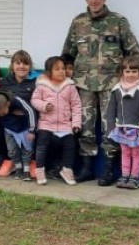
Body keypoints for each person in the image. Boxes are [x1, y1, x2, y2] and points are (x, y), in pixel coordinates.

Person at [62, 0, 139, 185]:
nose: (94, 0)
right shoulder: (78, 22)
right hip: (83, 84)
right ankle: (86, 168)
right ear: (86, 0)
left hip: (111, 84)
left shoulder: (118, 21)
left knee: (110, 126)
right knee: (85, 127)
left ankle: (109, 169)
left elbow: (133, 51)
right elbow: (67, 53)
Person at [104, 56, 139, 190]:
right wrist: (110, 127)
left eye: (134, 71)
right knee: (125, 152)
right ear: (122, 73)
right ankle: (125, 175)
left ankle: (134, 177)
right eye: (127, 71)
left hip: (137, 128)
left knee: (136, 153)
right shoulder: (117, 89)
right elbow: (111, 109)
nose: (130, 74)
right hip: (121, 128)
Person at [31, 56, 82, 186]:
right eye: (57, 69)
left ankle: (67, 169)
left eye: (63, 69)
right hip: (46, 124)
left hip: (65, 124)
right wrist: (44, 105)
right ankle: (40, 170)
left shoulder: (69, 86)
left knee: (70, 145)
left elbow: (76, 105)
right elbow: (34, 100)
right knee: (42, 145)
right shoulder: (42, 85)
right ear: (49, 72)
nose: (61, 71)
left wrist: (76, 123)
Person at [0, 50, 37, 177]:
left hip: (28, 121)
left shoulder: (35, 82)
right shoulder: (5, 82)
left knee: (39, 133)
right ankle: (10, 160)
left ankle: (31, 161)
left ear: (30, 66)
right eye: (18, 63)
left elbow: (35, 105)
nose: (21, 66)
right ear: (12, 66)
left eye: (25, 63)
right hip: (9, 122)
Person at [0, 91, 36, 181]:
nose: (1, 115)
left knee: (27, 150)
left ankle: (26, 171)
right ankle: (18, 168)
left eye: (3, 112)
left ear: (8, 104)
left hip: (24, 128)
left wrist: (31, 130)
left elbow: (30, 111)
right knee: (12, 151)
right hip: (9, 129)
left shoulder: (17, 101)